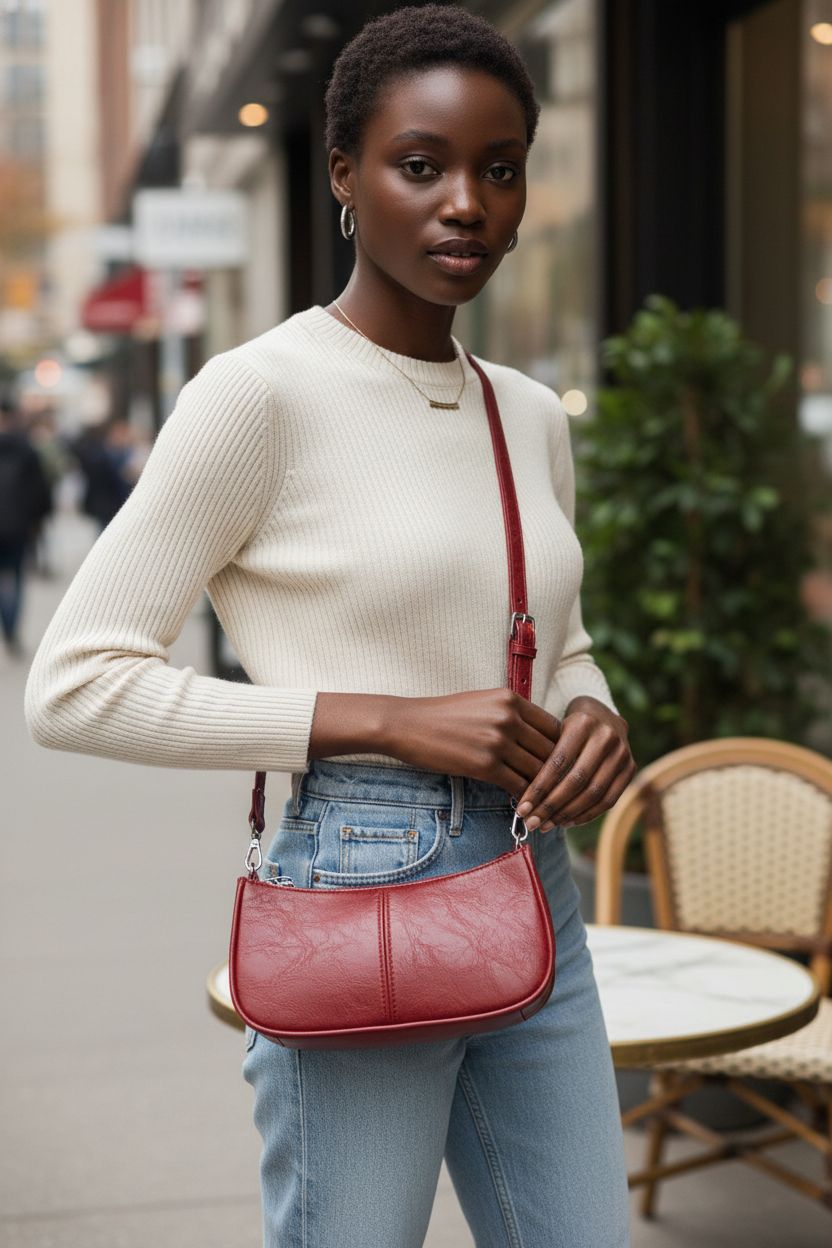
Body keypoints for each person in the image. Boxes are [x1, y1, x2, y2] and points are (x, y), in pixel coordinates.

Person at [23, 6, 636, 1245]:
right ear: (346, 174)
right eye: (423, 165)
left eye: (498, 169)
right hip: (360, 870)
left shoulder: (527, 414)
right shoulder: (260, 395)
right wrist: (386, 722)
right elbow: (75, 683)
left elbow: (554, 635)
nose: (466, 201)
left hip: (531, 874)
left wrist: (594, 713)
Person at [0, 396, 52, 657]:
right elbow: (39, 489)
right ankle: (12, 630)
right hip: (19, 526)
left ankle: (7, 626)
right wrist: (38, 520)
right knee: (18, 578)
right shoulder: (25, 448)